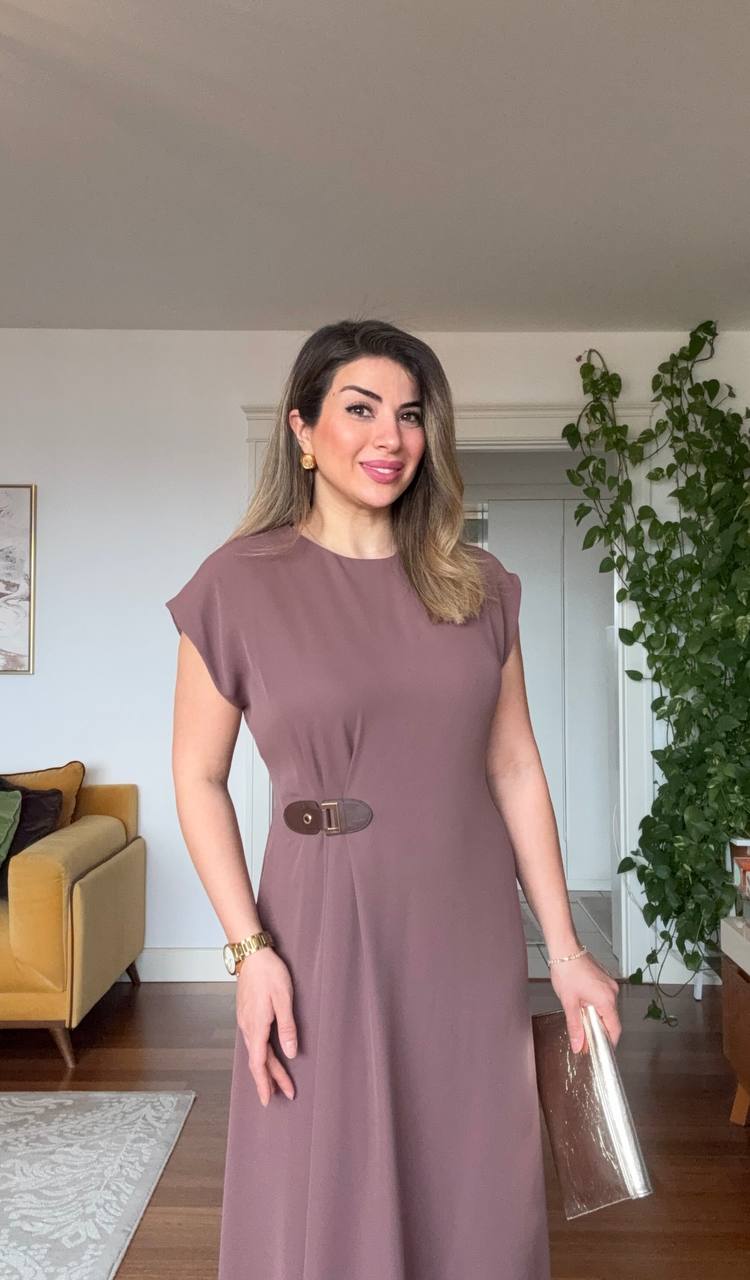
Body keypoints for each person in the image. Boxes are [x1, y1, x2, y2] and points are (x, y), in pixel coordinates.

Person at [166, 317, 621, 1280]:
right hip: (320, 928)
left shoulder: (478, 586)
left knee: (470, 1169)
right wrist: (249, 950)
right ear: (302, 430)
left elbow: (514, 767)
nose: (391, 437)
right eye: (361, 409)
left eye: (411, 415)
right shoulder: (235, 584)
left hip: (462, 927)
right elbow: (198, 777)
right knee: (322, 1171)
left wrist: (568, 952)